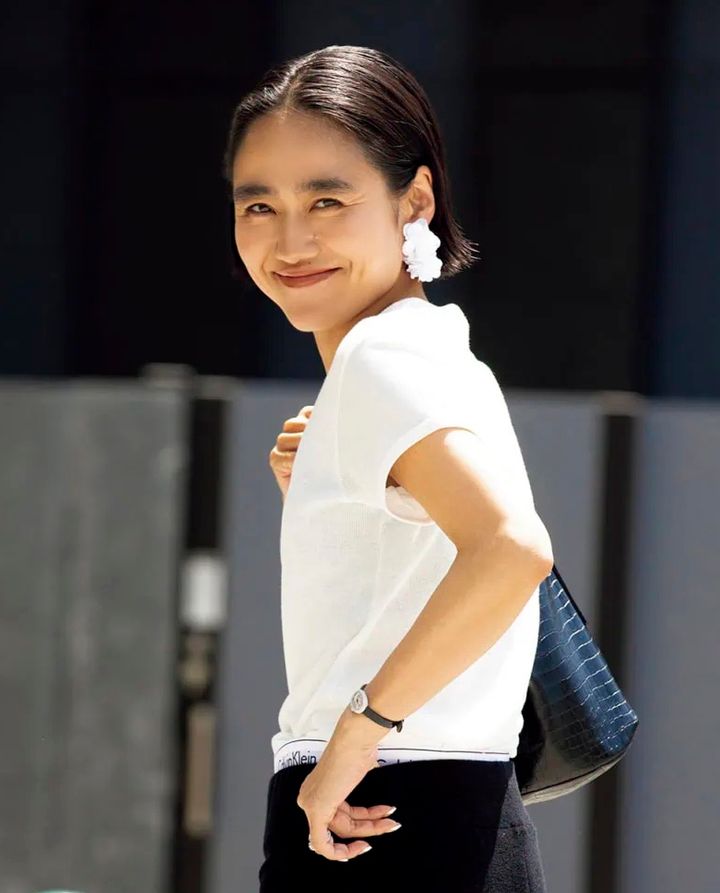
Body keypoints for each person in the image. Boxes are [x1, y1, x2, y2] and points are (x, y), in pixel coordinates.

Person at [222, 44, 552, 892]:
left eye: (327, 199)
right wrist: (332, 486)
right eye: (258, 205)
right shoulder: (429, 347)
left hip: (382, 819)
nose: (290, 239)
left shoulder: (381, 359)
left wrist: (356, 732)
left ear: (416, 201)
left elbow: (512, 549)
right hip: (441, 816)